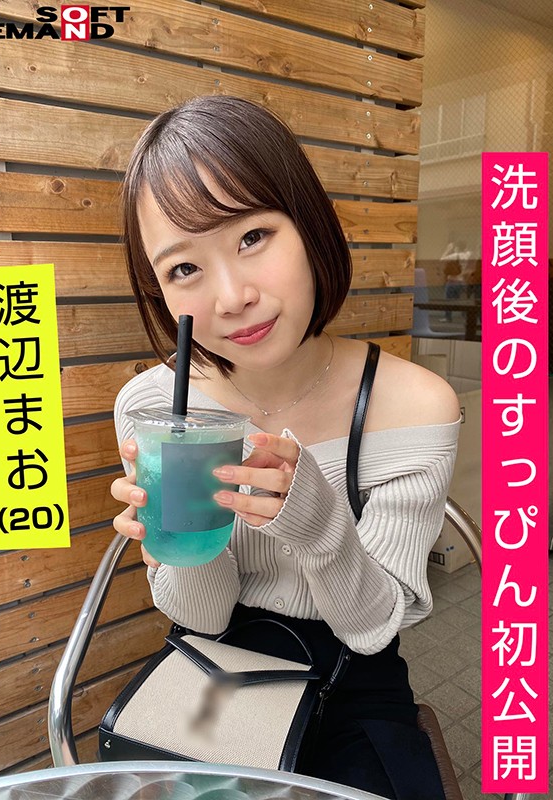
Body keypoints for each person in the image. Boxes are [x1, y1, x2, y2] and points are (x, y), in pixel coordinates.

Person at [111, 95, 461, 799]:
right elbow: (201, 616)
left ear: (308, 225)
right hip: (213, 667)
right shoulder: (152, 408)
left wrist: (315, 520)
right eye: (184, 269)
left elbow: (371, 629)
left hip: (355, 680)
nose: (231, 297)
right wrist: (188, 535)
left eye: (252, 237)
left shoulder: (415, 406)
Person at [439, 239, 474, 322]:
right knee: (463, 300)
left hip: (452, 281)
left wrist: (448, 249)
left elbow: (442, 259)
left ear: (457, 247)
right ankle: (465, 316)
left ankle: (448, 317)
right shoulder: (467, 255)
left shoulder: (455, 255)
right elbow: (470, 252)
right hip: (462, 281)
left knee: (448, 300)